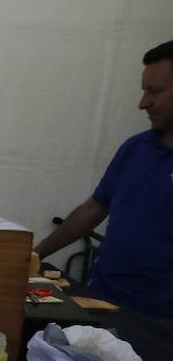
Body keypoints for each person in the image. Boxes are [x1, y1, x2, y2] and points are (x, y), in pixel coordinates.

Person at [35, 40, 173, 318]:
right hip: (103, 302)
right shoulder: (135, 148)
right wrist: (34, 255)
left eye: (154, 92)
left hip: (161, 324)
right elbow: (93, 208)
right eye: (144, 91)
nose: (143, 103)